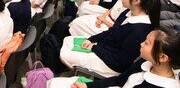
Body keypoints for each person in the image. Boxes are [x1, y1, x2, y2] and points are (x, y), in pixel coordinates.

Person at [60, 0, 160, 78]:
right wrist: (91, 39)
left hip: (110, 64)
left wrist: (94, 48)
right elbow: (111, 31)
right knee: (67, 40)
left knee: (65, 53)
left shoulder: (140, 30)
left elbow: (120, 61)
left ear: (136, 1)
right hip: (106, 48)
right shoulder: (128, 12)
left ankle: (86, 73)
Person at [48, 29, 180, 88]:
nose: (141, 44)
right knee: (54, 83)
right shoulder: (146, 63)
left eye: (146, 43)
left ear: (162, 57)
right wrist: (88, 86)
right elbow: (120, 79)